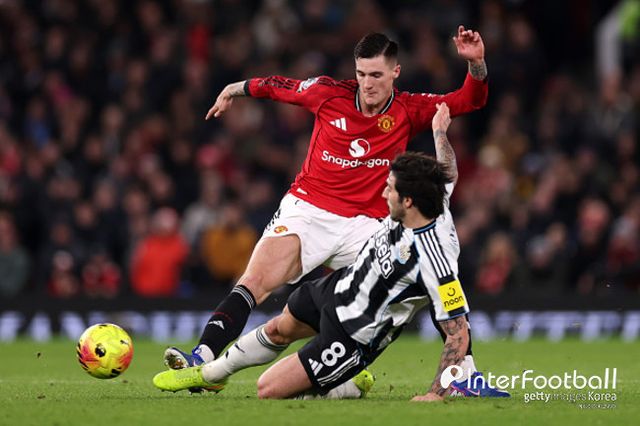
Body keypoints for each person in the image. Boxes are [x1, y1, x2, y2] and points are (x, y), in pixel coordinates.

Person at [164, 26, 489, 381]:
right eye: (361, 74)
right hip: (309, 211)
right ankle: (201, 355)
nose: (367, 84)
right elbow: (277, 86)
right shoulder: (328, 94)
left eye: (376, 75)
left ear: (395, 72)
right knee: (256, 279)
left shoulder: (409, 109)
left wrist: (476, 63)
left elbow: (469, 100)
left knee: (430, 277)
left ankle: (464, 374)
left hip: (368, 226)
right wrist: (234, 89)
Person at [154, 103, 509, 400]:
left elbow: (458, 332)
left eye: (389, 189)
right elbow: (448, 169)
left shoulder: (435, 259)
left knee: (268, 389)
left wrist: (436, 393)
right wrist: (439, 131)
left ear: (408, 201)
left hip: (355, 333)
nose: (382, 194)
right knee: (278, 328)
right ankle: (209, 374)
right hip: (337, 289)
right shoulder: (435, 198)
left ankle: (347, 384)